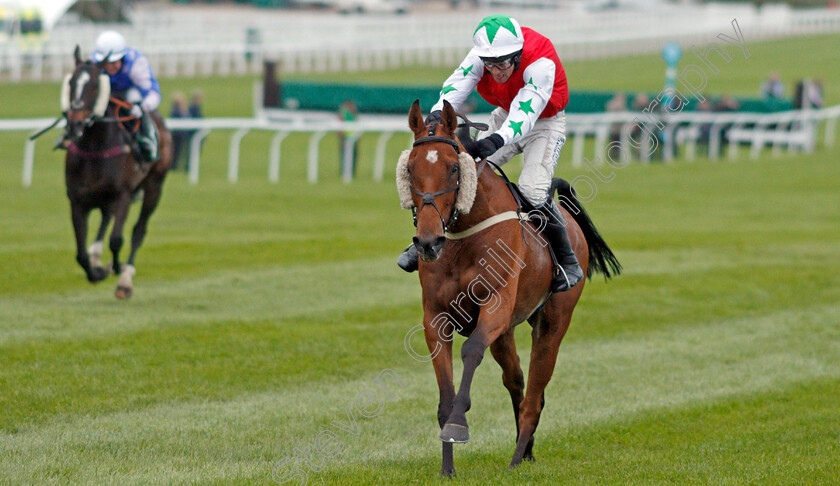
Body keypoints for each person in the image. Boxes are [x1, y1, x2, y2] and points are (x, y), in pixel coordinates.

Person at [397, 14, 583, 293]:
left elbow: (525, 113)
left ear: (518, 55)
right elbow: (455, 86)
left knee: (532, 190)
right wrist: (436, 112)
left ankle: (569, 261)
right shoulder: (482, 56)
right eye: (491, 64)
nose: (496, 71)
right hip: (506, 115)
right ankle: (429, 239)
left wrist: (496, 139)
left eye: (504, 63)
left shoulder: (540, 62)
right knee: (464, 174)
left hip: (545, 123)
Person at [91, 30, 160, 163]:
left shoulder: (136, 64)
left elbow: (154, 94)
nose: (110, 66)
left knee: (133, 96)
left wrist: (142, 108)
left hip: (129, 97)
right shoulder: (94, 62)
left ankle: (147, 140)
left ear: (122, 57)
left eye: (114, 62)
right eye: (107, 62)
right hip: (105, 95)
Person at [169, 92, 189, 171]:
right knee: (175, 151)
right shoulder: (176, 110)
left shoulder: (181, 109)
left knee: (179, 151)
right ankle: (173, 165)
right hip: (177, 134)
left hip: (181, 133)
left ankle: (176, 165)